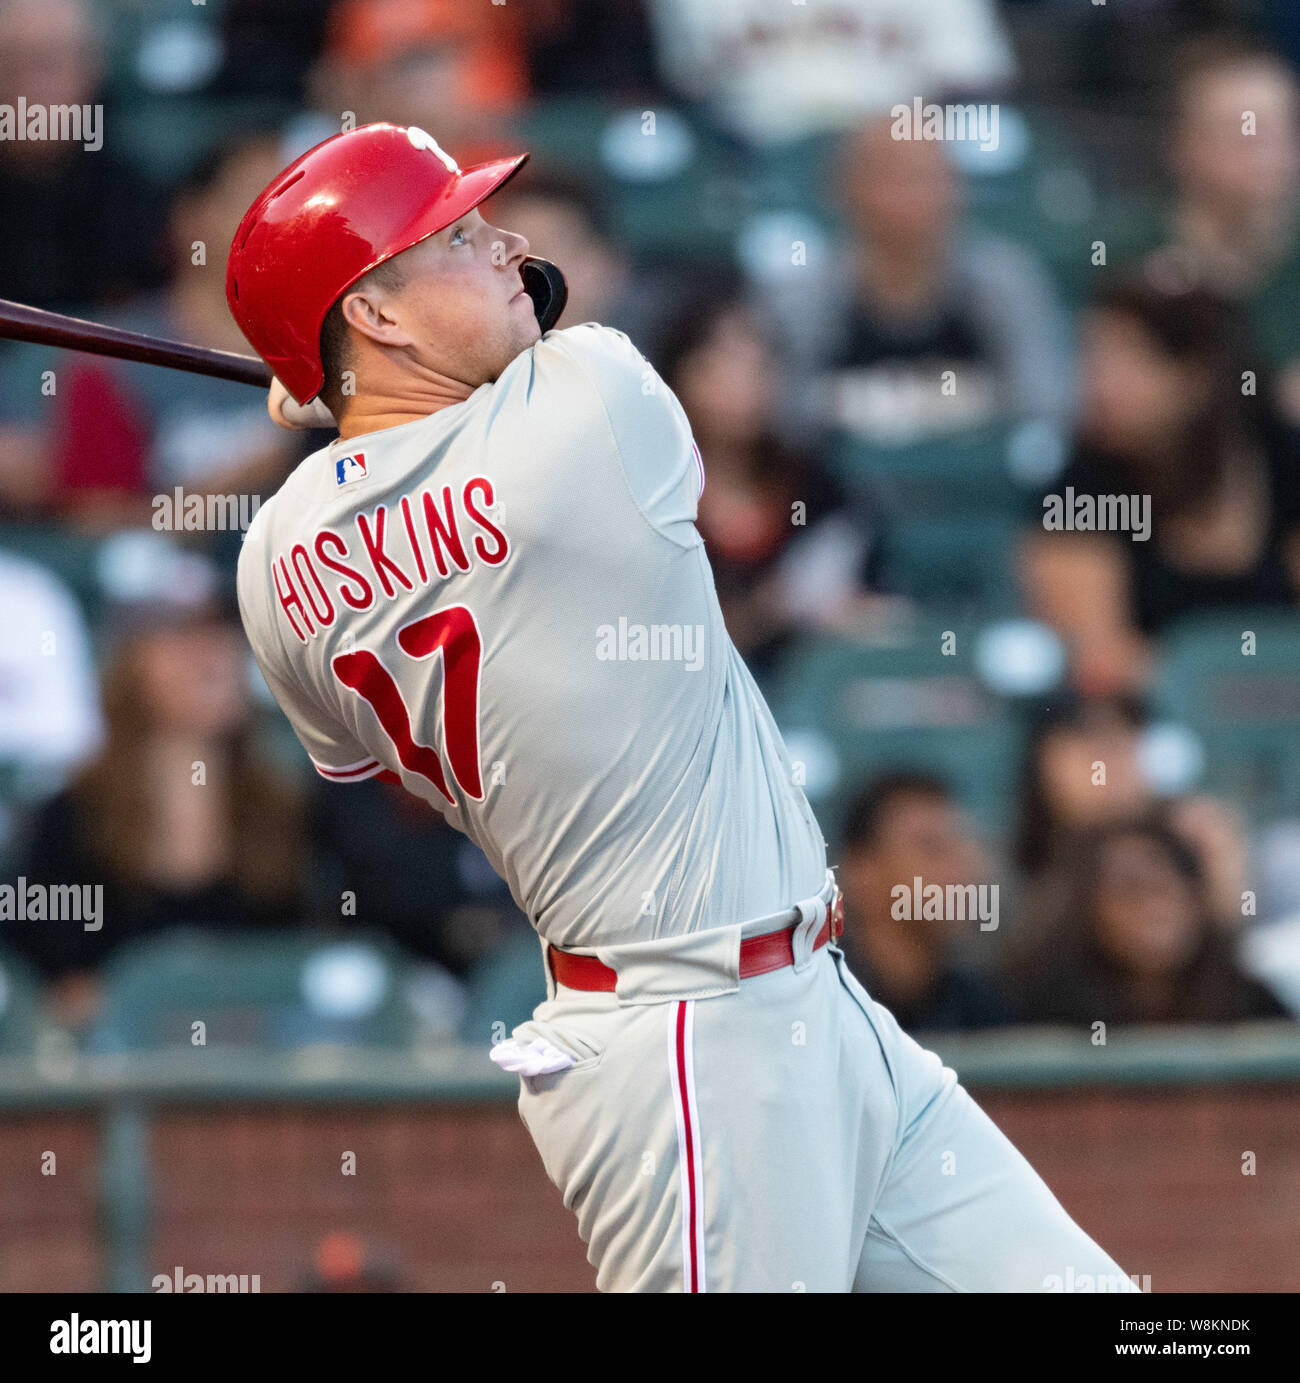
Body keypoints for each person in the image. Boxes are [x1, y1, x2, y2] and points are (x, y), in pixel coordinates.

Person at [227, 121, 1136, 1292]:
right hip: (691, 1039)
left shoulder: (271, 563)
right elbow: (556, 326)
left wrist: (337, 399)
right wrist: (357, 401)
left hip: (802, 1000)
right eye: (459, 236)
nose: (509, 245)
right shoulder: (596, 397)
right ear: (379, 313)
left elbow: (379, 764)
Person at [10, 582, 306, 1030]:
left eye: (223, 635)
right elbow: (38, 982)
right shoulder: (71, 819)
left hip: (263, 1078)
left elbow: (318, 962)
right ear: (130, 665)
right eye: (181, 638)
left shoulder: (286, 811)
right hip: (113, 1082)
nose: (211, 655)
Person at [1019, 274, 1300, 697]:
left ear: (1196, 377)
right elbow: (1097, 662)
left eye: (1125, 359)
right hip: (1147, 734)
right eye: (1091, 357)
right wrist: (1247, 690)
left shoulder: (1281, 456)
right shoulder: (1079, 487)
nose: (1097, 383)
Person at [658, 292, 885, 672]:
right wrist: (772, 609)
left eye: (759, 363)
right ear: (677, 374)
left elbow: (877, 604)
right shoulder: (651, 499)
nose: (744, 380)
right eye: (721, 360)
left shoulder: (818, 489)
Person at [1006, 817, 1287, 1027]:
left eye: (1164, 888)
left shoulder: (1250, 1005)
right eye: (1130, 889)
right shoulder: (1041, 1014)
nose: (1153, 908)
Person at [837, 772, 1014, 1031]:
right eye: (931, 848)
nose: (958, 872)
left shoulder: (981, 1004)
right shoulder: (820, 1002)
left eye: (961, 845)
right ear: (861, 870)